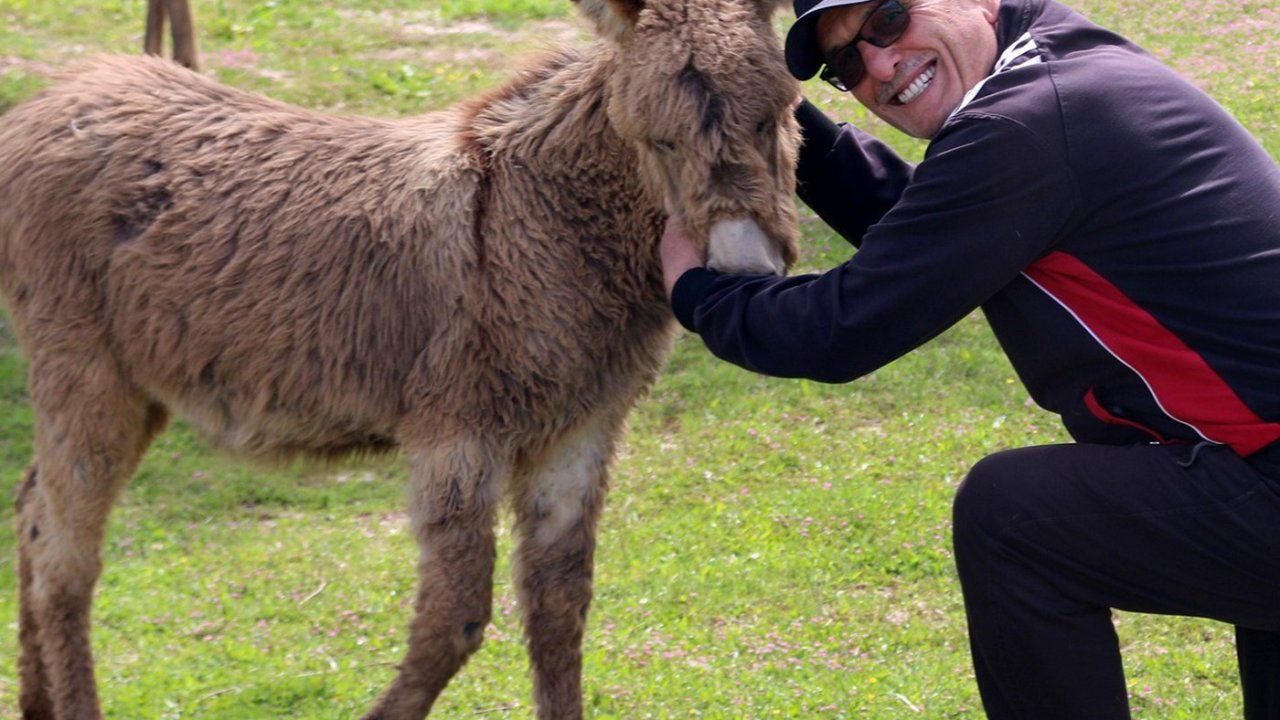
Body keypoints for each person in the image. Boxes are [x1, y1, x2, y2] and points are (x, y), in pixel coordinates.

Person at [659, 0, 1280, 716]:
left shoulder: (1030, 125)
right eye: (847, 64)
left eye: (889, 19)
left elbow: (836, 329)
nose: (881, 65)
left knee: (1013, 520)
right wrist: (787, 124)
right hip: (1249, 466)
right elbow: (935, 233)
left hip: (1261, 477)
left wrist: (699, 292)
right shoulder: (1053, 70)